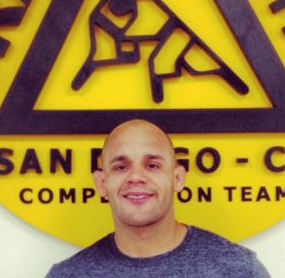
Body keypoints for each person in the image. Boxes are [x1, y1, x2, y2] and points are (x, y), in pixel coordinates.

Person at [45, 118, 271, 277]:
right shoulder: (67, 275)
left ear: (177, 178)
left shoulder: (238, 270)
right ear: (102, 183)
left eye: (152, 165)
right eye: (121, 167)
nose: (136, 177)